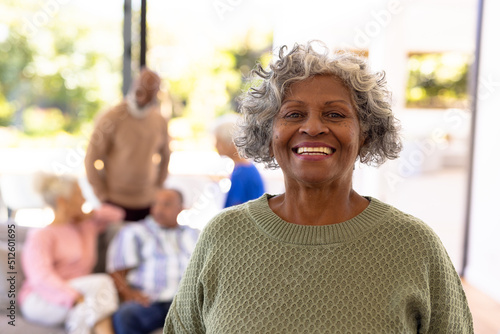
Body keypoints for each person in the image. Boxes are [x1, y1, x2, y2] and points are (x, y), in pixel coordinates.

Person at [163, 42, 474, 333]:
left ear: (365, 134)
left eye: (335, 114)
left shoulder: (414, 246)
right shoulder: (223, 236)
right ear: (269, 134)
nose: (312, 127)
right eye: (294, 114)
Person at [19, 173, 124, 334]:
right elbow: (41, 278)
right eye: (79, 195)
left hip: (83, 293)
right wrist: (74, 297)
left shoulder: (86, 226)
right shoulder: (41, 235)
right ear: (62, 201)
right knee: (101, 284)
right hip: (42, 298)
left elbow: (117, 214)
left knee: (85, 311)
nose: (84, 201)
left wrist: (90, 214)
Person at [106, 188, 199, 334]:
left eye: (166, 204)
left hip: (186, 303)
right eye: (155, 204)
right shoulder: (134, 232)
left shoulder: (194, 234)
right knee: (126, 315)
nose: (159, 209)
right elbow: (117, 272)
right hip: (150, 303)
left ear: (181, 208)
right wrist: (129, 294)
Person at [85, 68, 170, 222]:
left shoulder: (159, 121)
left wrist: (158, 188)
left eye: (151, 88)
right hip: (114, 202)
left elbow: (166, 156)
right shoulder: (111, 118)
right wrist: (102, 195)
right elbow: (91, 158)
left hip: (148, 203)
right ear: (135, 85)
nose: (145, 93)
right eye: (142, 87)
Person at [214, 115, 265, 208]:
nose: (216, 146)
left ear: (230, 142)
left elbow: (233, 212)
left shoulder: (242, 173)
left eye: (219, 141)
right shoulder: (244, 169)